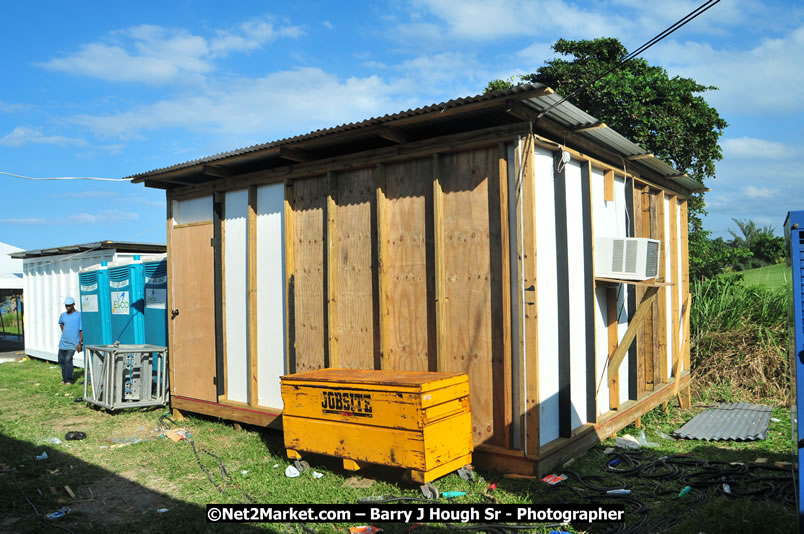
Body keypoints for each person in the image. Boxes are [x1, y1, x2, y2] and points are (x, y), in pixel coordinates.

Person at [58, 296, 82, 385]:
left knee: (68, 359)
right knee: (61, 360)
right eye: (66, 305)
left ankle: (69, 380)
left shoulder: (79, 315)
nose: (67, 307)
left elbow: (81, 329)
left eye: (69, 305)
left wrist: (80, 342)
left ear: (73, 305)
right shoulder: (63, 315)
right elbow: (61, 323)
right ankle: (64, 379)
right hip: (63, 342)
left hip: (73, 342)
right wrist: (65, 332)